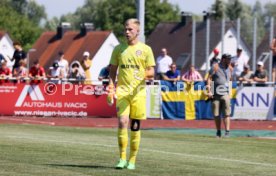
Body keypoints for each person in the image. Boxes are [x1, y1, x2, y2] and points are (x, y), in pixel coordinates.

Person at [108, 18, 155, 170]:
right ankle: (122, 158)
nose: (127, 32)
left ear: (138, 31)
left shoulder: (146, 49)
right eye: (125, 29)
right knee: (122, 121)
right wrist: (110, 85)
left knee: (135, 126)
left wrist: (142, 75)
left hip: (138, 94)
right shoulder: (118, 49)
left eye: (130, 30)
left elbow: (151, 72)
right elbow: (113, 70)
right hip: (122, 92)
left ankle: (132, 160)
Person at [207, 54, 232, 138]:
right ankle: (218, 132)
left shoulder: (230, 68)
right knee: (216, 114)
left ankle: (227, 132)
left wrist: (230, 92)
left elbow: (230, 80)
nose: (230, 61)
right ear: (223, 59)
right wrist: (209, 91)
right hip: (215, 94)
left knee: (227, 114)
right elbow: (209, 78)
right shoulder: (215, 67)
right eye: (228, 59)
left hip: (225, 93)